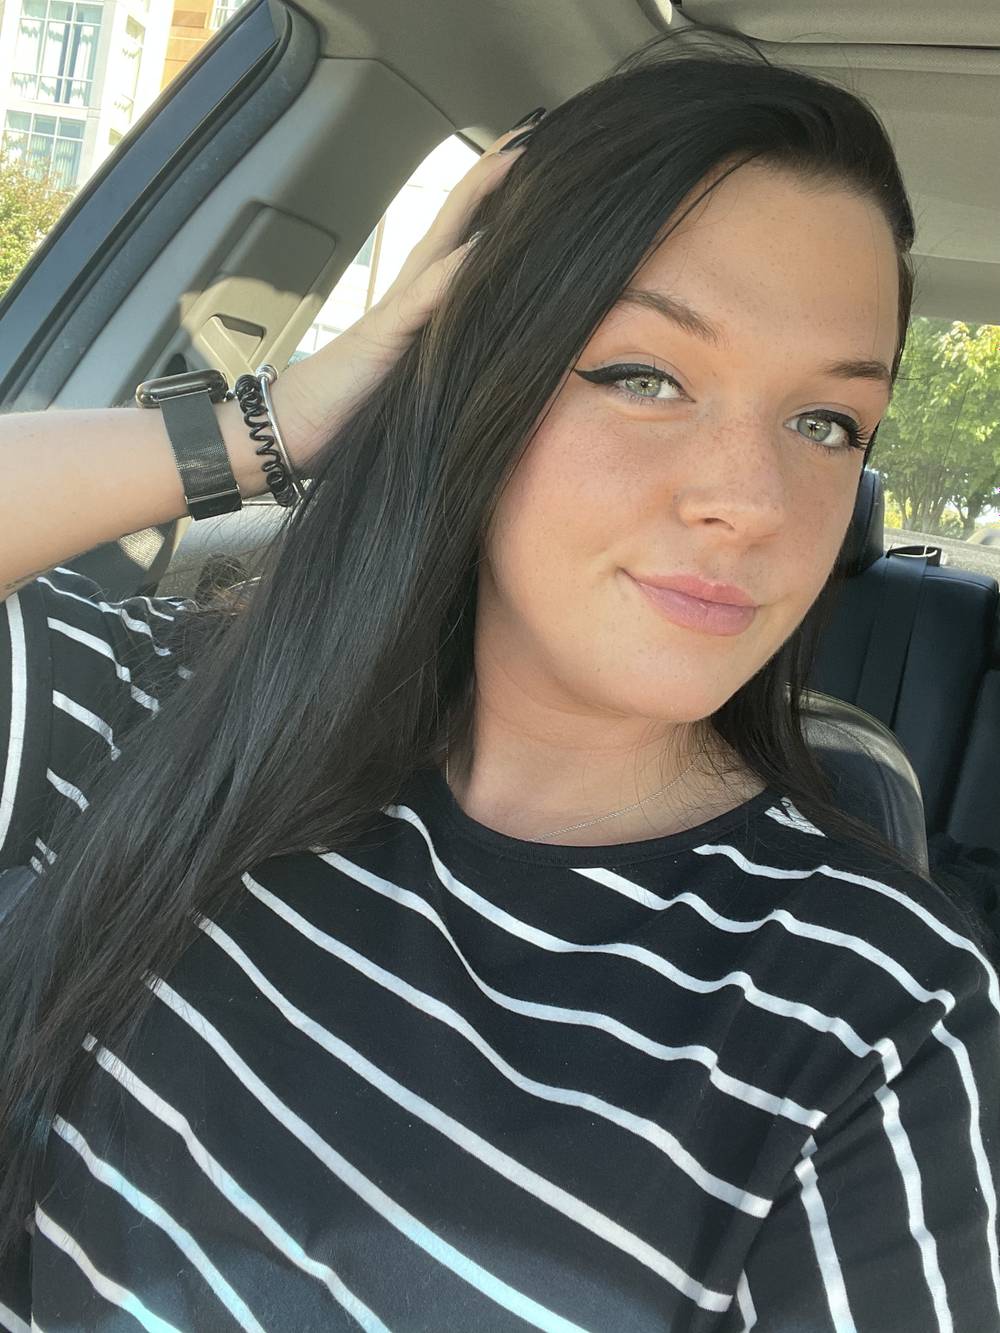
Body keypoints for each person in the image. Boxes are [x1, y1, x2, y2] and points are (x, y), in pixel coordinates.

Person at [0, 26, 998, 1332]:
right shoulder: (160, 719)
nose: (753, 501)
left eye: (826, 423)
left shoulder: (878, 1008)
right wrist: (281, 420)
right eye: (646, 375)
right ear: (479, 379)